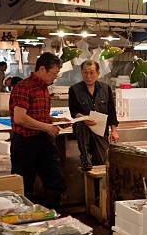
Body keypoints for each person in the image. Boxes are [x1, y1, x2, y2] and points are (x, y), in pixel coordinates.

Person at [9, 53, 69, 207]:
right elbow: (20, 118)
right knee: (24, 186)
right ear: (42, 69)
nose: (55, 77)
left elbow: (40, 115)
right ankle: (25, 224)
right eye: (54, 73)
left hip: (43, 141)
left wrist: (57, 120)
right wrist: (48, 127)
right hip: (25, 143)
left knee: (56, 181)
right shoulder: (23, 87)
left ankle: (52, 218)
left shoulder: (44, 88)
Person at [68, 60, 119, 171]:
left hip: (101, 129)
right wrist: (84, 119)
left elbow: (111, 111)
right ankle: (85, 158)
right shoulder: (74, 90)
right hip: (83, 128)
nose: (88, 76)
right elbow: (73, 111)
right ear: (81, 73)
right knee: (81, 126)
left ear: (98, 74)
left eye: (91, 72)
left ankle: (99, 187)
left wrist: (114, 130)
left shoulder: (105, 88)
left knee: (101, 162)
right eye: (85, 73)